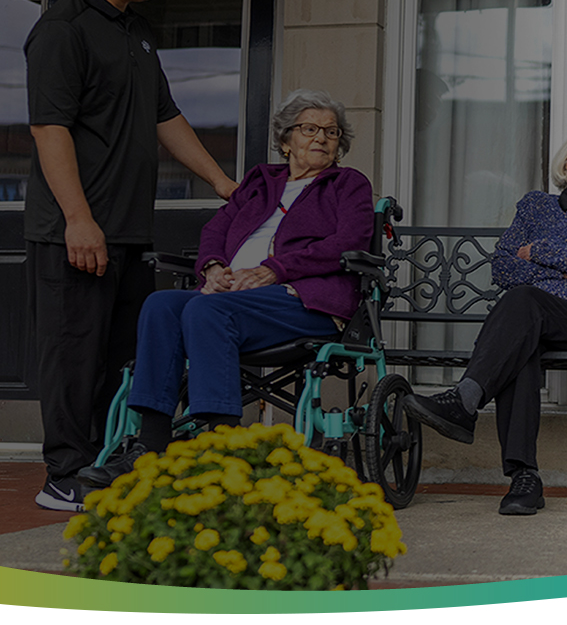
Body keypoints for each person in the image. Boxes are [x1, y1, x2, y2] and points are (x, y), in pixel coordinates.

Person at [25, 0, 239, 511]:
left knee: (120, 360)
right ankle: (64, 475)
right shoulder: (63, 29)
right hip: (74, 233)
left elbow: (165, 116)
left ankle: (103, 466)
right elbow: (48, 130)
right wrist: (78, 219)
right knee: (73, 358)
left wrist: (224, 183)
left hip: (127, 230)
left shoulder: (137, 31)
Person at [77, 90, 374, 488]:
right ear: (286, 140)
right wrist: (213, 267)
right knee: (161, 305)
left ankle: (221, 447)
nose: (321, 137)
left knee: (206, 310)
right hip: (236, 297)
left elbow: (348, 242)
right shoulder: (260, 181)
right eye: (309, 129)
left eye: (331, 132)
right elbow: (216, 229)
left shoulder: (348, 184)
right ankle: (149, 445)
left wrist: (275, 270)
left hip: (304, 300)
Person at [403, 127, 567, 516]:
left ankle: (465, 401)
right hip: (533, 319)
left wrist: (542, 251)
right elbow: (503, 266)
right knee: (523, 338)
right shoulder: (536, 207)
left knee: (524, 302)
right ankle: (524, 479)